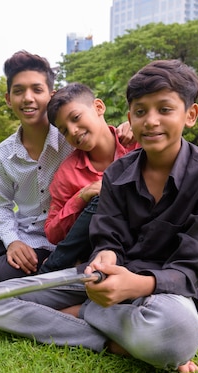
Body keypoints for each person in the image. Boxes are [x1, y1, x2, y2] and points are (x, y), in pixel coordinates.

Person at [0, 59, 198, 373]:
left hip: (162, 291)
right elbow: (107, 237)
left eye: (164, 109)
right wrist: (105, 258)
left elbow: (189, 269)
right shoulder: (117, 173)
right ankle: (111, 341)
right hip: (100, 278)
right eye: (141, 112)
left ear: (190, 115)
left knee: (178, 334)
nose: (151, 121)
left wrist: (135, 285)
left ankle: (86, 313)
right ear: (130, 117)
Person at [0, 51, 132, 283]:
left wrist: (131, 124)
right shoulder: (4, 153)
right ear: (9, 99)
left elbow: (102, 137)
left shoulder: (71, 138)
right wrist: (12, 242)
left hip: (54, 237)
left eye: (37, 90)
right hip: (20, 229)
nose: (28, 98)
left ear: (51, 95)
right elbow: (2, 207)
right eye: (19, 91)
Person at [38, 82, 139, 273]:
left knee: (110, 192)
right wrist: (82, 196)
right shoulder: (67, 173)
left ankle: (51, 271)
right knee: (100, 198)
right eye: (64, 130)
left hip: (141, 237)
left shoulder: (138, 143)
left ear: (99, 107)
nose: (73, 131)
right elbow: (52, 232)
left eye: (75, 118)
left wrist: (137, 124)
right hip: (98, 247)